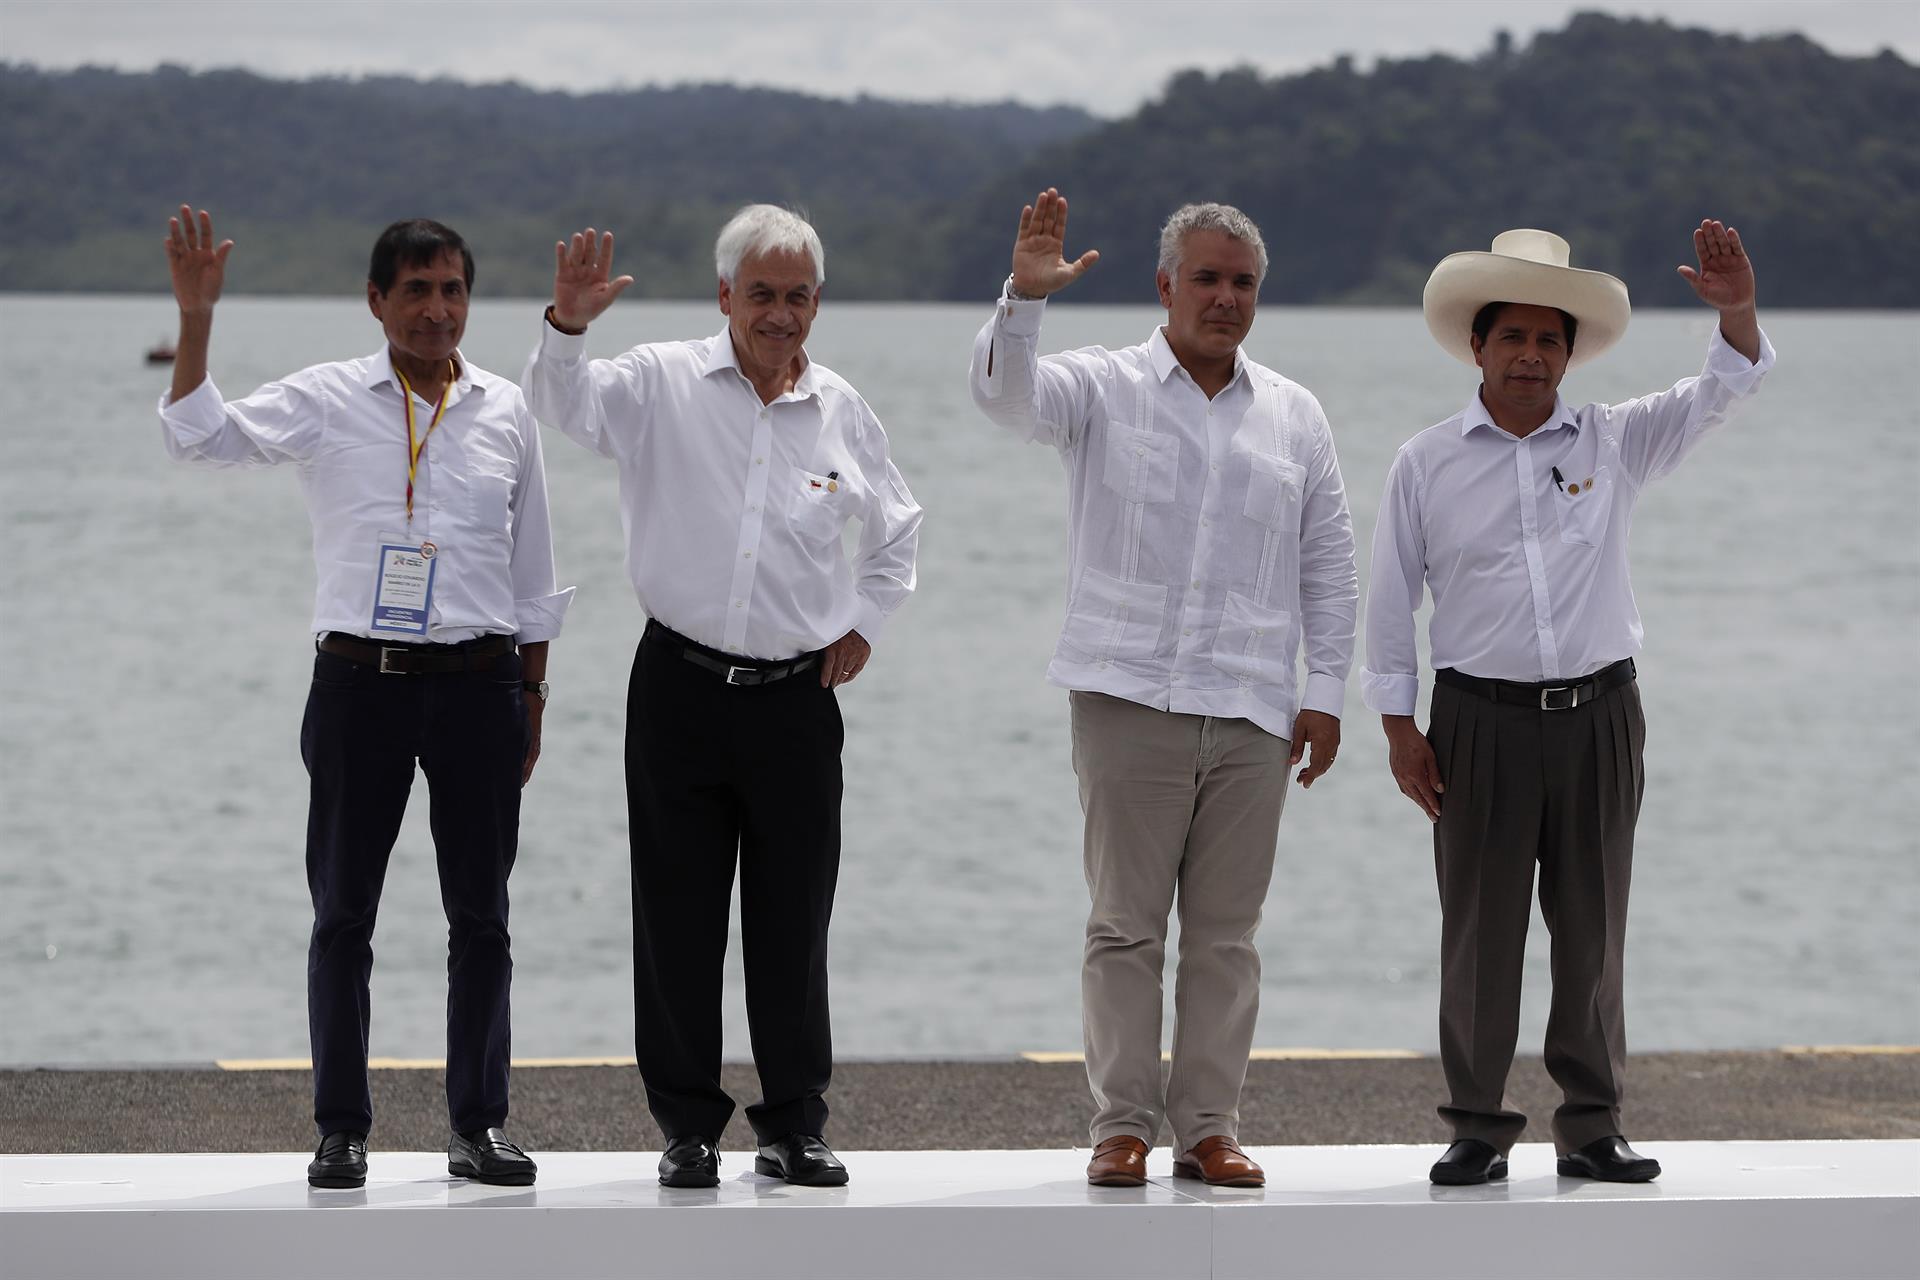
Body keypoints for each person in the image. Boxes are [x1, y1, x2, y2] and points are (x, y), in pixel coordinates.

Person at [156, 208, 571, 1189]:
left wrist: (533, 694)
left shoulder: (505, 409)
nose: (437, 309)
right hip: (359, 684)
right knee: (344, 914)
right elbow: (198, 436)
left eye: (453, 289)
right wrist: (196, 318)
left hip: (480, 685)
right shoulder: (330, 398)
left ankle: (478, 1125)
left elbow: (534, 571)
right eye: (416, 290)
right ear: (376, 300)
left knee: (483, 918)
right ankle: (341, 1128)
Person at [1362, 222, 1771, 1185]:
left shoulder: (1614, 441)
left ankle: (1591, 1127)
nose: (1532, 355)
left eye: (1550, 340)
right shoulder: (1425, 462)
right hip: (1477, 724)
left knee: (1592, 930)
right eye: (1513, 336)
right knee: (1481, 933)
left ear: (1570, 353)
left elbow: (1721, 389)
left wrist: (1738, 312)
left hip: (1600, 718)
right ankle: (1476, 1126)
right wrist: (1399, 728)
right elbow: (1389, 601)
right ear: (1477, 346)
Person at [522, 206, 922, 1188]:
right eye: (762, 294)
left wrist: (865, 622)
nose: (780, 314)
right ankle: (687, 1126)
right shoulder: (660, 380)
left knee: (795, 917)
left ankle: (794, 1124)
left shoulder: (841, 410)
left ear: (817, 303)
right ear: (724, 296)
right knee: (676, 916)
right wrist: (567, 325)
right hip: (679, 686)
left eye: (797, 297)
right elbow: (561, 405)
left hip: (795, 700)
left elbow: (897, 529)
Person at [968, 190, 1358, 1188]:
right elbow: (1006, 400)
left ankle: (1211, 1127)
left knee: (1227, 937)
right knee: (1124, 927)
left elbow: (1328, 562)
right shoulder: (1101, 386)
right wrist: (1024, 298)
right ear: (1165, 285)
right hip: (1126, 695)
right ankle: (1122, 1126)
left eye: (1243, 283)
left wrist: (1326, 692)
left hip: (1253, 706)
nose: (1225, 297)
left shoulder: (1296, 415)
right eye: (1207, 278)